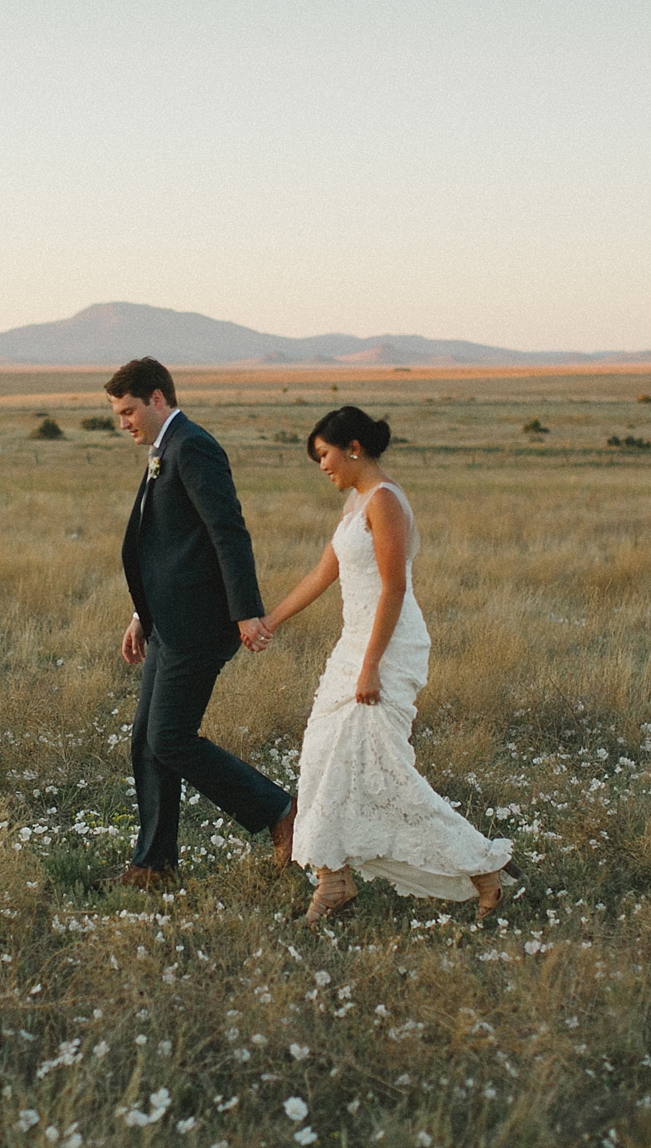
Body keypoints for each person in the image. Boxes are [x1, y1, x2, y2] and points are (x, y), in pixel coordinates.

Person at [256, 406, 515, 924]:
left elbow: (394, 588)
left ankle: (485, 871)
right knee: (323, 759)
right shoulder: (355, 504)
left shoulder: (386, 501)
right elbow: (324, 572)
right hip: (353, 644)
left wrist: (370, 666)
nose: (322, 467)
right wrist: (270, 622)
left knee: (384, 770)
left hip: (386, 646)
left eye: (325, 455)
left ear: (353, 447)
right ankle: (333, 882)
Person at [107, 358, 296, 890]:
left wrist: (245, 611)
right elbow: (170, 548)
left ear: (158, 398)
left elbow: (227, 532)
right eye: (118, 414)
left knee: (170, 738)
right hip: (167, 621)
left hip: (200, 625)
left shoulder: (194, 446)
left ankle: (281, 810)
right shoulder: (162, 450)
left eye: (129, 411)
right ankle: (154, 866)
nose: (124, 422)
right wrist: (142, 615)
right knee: (145, 742)